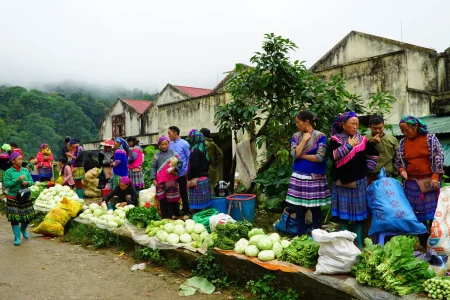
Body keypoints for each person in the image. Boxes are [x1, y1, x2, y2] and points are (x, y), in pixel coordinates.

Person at [327, 111, 379, 249]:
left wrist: (366, 169)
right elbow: (333, 156)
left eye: (357, 124)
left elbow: (374, 155)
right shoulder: (335, 140)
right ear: (343, 124)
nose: (355, 126)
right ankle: (344, 245)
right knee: (343, 216)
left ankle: (359, 243)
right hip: (341, 183)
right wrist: (349, 145)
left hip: (359, 183)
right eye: (352, 123)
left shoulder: (362, 140)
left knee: (358, 216)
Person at [395, 115, 444, 248]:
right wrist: (401, 170)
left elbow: (438, 156)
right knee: (417, 214)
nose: (404, 133)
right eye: (402, 130)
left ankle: (436, 241)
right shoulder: (402, 143)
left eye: (407, 130)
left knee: (433, 214)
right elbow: (399, 160)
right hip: (411, 183)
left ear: (415, 126)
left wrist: (435, 176)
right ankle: (424, 241)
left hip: (429, 181)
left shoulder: (429, 138)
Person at [286, 111, 331, 236]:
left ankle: (317, 238)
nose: (296, 124)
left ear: (307, 122)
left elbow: (320, 157)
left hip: (315, 178)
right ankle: (300, 236)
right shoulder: (296, 136)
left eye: (298, 122)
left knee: (316, 209)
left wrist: (303, 155)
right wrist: (304, 141)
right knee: (299, 210)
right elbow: (294, 154)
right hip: (299, 177)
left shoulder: (320, 136)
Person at [3, 151, 35, 246]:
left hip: (24, 196)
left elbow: (31, 181)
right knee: (14, 218)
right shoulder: (8, 172)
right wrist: (17, 180)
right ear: (13, 161)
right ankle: (17, 238)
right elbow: (7, 184)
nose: (21, 161)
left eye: (22, 159)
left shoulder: (25, 170)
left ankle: (23, 229)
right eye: (19, 159)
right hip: (13, 197)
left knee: (28, 216)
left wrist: (27, 183)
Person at [150, 136, 184, 219]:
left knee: (172, 198)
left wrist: (174, 168)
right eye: (162, 144)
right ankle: (164, 217)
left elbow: (180, 162)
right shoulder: (156, 156)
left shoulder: (173, 153)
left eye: (166, 144)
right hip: (160, 181)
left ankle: (172, 215)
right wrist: (153, 179)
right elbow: (153, 167)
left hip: (171, 179)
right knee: (162, 199)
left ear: (169, 144)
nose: (164, 146)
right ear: (160, 145)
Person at [365, 115, 399, 184]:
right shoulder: (364, 140)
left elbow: (397, 157)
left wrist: (395, 174)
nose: (377, 131)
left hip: (388, 176)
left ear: (384, 125)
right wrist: (372, 143)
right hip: (370, 176)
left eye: (380, 128)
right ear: (370, 127)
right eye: (374, 128)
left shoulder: (392, 139)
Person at [186, 129, 212, 212]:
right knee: (205, 208)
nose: (188, 139)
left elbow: (194, 166)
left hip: (197, 181)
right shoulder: (203, 148)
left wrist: (189, 177)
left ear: (194, 138)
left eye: (190, 137)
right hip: (204, 179)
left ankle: (198, 221)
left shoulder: (195, 150)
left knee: (197, 209)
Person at [168, 126, 191, 217]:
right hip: (172, 174)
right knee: (173, 193)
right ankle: (176, 211)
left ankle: (186, 211)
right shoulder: (169, 144)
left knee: (183, 192)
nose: (168, 135)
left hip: (182, 173)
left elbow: (189, 158)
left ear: (175, 133)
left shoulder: (184, 143)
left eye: (169, 133)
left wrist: (186, 171)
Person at [200, 128, 224, 193]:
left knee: (202, 188)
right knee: (210, 188)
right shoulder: (212, 144)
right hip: (211, 169)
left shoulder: (200, 144)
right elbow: (220, 155)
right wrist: (213, 163)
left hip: (201, 170)